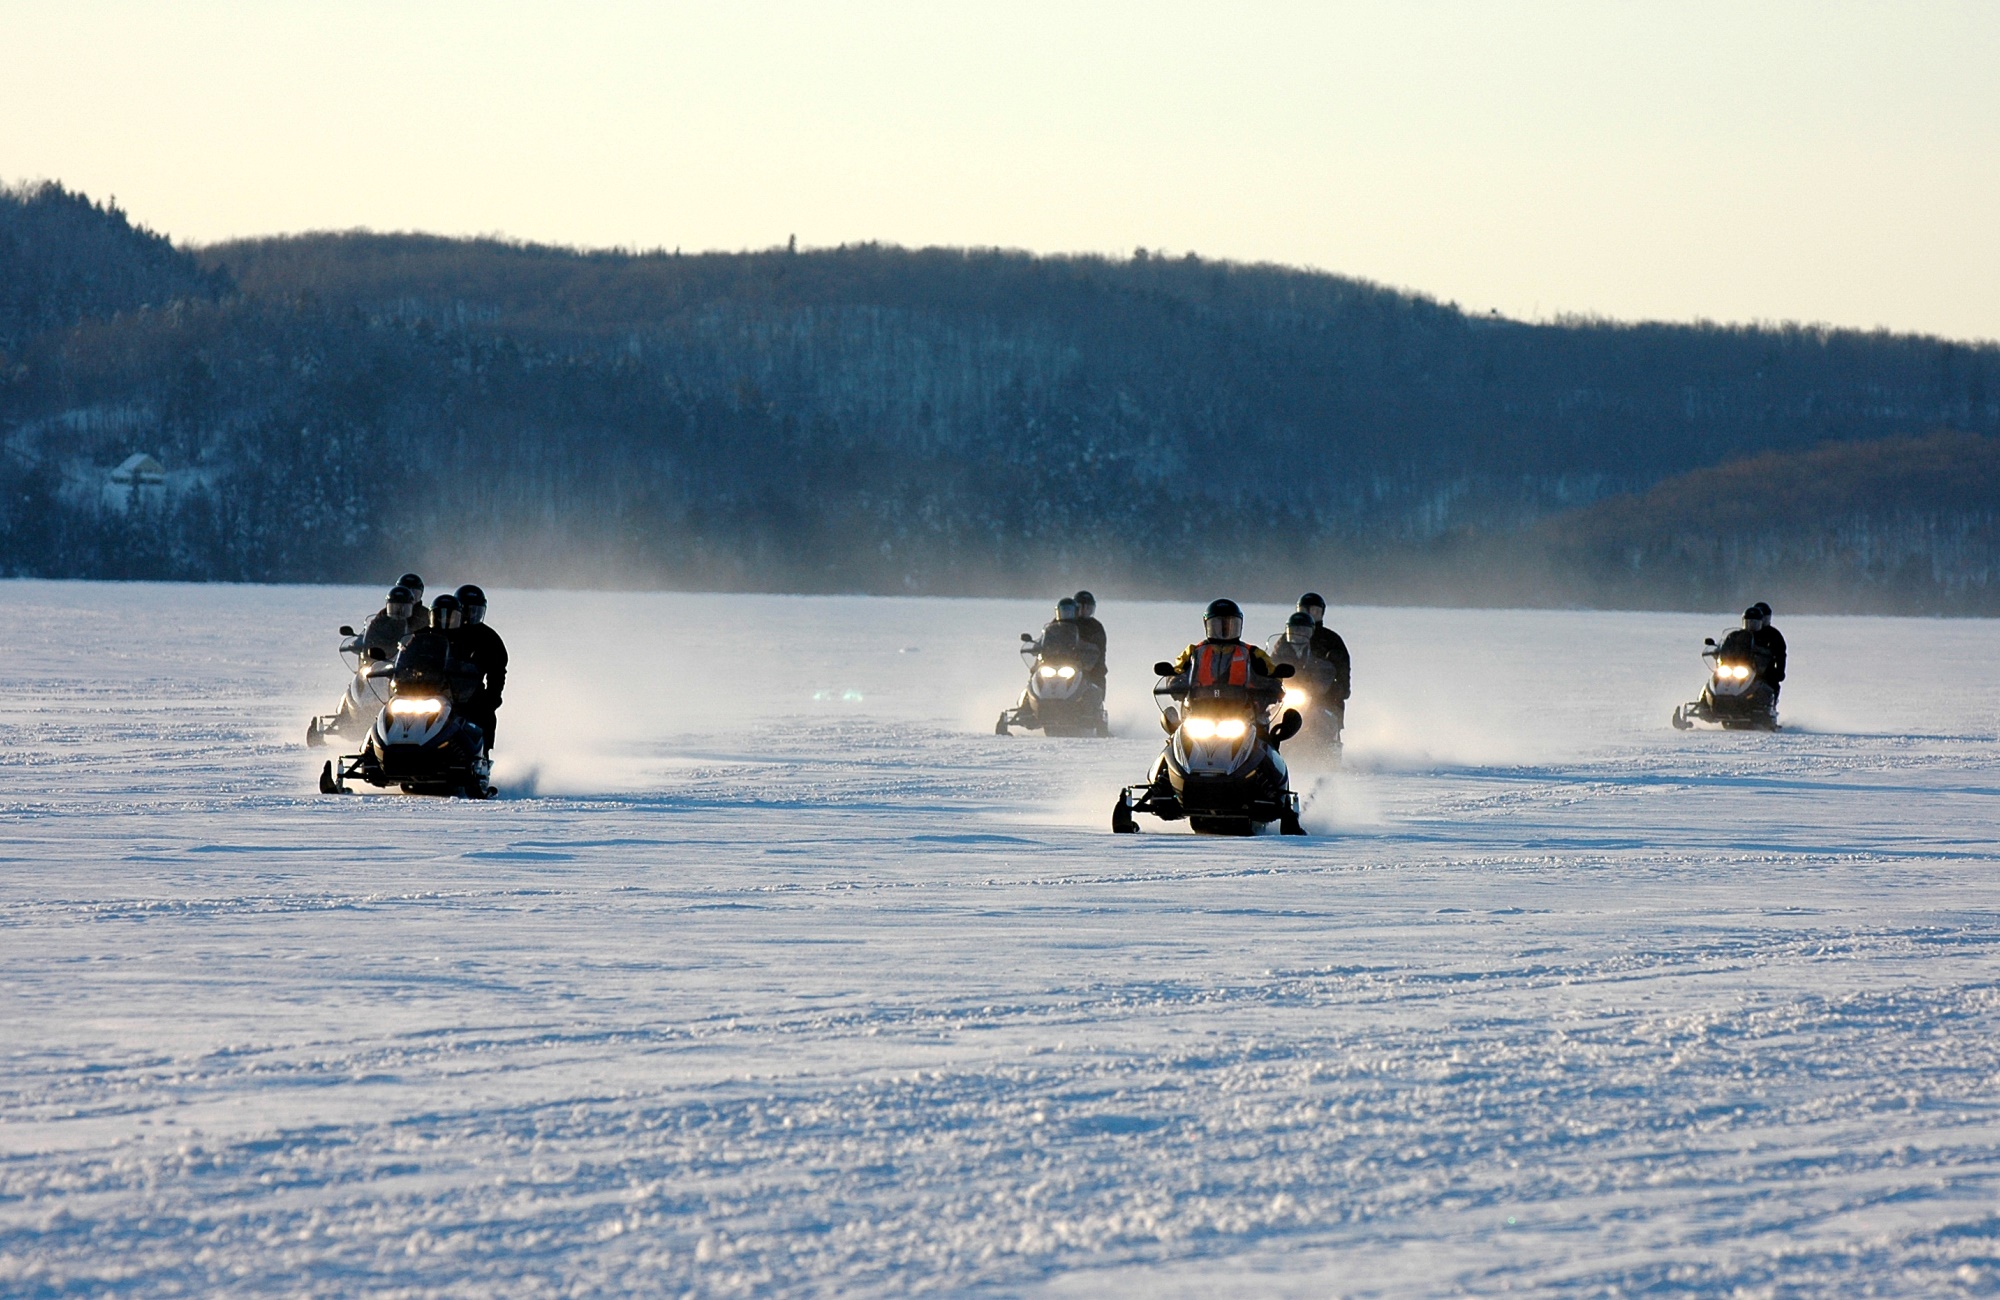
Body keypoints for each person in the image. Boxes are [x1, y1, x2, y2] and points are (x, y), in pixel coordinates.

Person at [1170, 598, 1283, 704]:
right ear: (1207, 625)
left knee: (1263, 721)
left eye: (1230, 624)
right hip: (1200, 707)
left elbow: (1271, 673)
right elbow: (1178, 671)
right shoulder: (1194, 651)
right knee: (1175, 721)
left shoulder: (1251, 653)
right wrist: (1176, 682)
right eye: (1217, 625)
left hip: (1242, 709)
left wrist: (1273, 685)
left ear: (1239, 625)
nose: (1224, 630)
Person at [448, 584, 509, 753]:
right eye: (467, 611)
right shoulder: (444, 631)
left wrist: (493, 697)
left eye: (476, 611)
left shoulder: (489, 638)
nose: (471, 616)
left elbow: (497, 672)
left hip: (469, 693)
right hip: (437, 688)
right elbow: (420, 651)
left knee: (486, 716)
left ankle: (482, 756)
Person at [1718, 602, 1787, 699]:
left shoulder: (1774, 635)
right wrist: (1719, 653)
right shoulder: (1737, 635)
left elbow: (1780, 654)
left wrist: (1779, 671)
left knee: (1770, 681)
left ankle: (1768, 702)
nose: (1752, 625)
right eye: (1749, 622)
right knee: (1717, 677)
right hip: (1736, 665)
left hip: (1760, 667)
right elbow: (1727, 646)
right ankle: (1706, 700)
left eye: (1755, 622)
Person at [1295, 592, 1352, 705]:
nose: (1309, 615)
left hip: (1326, 697)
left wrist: (1337, 689)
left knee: (1326, 717)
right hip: (1295, 690)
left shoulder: (1332, 639)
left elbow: (1343, 670)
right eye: (1304, 611)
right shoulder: (1289, 638)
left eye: (1315, 611)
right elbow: (1276, 659)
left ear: (1321, 613)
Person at [358, 584, 417, 661]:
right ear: (388, 607)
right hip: (381, 662)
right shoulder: (379, 623)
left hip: (404, 663)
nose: (398, 611)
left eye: (404, 608)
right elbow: (369, 638)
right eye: (394, 607)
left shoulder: (417, 623)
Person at [1072, 590, 1108, 689]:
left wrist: (1084, 645)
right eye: (1081, 607)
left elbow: (1099, 647)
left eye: (1088, 608)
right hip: (1063, 662)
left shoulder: (1096, 626)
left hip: (1090, 668)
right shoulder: (1065, 622)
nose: (1085, 611)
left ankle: (1093, 703)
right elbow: (1051, 635)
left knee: (1094, 686)